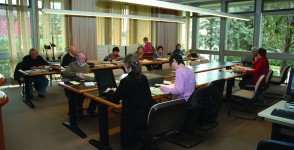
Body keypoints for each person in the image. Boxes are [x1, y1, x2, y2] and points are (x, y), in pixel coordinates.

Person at [106, 54, 156, 149]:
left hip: (131, 118)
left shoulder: (126, 81)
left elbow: (115, 99)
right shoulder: (144, 78)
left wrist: (109, 92)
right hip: (145, 116)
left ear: (126, 65)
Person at [62, 51, 97, 118]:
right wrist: (76, 74)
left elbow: (89, 76)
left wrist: (86, 77)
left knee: (96, 94)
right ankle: (79, 111)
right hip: (74, 84)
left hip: (84, 83)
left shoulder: (86, 65)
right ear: (77, 57)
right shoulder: (72, 65)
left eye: (84, 58)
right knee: (79, 96)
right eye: (81, 58)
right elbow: (65, 74)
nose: (83, 60)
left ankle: (90, 109)